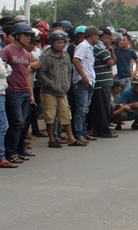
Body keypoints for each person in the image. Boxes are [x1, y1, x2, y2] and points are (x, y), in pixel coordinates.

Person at [37, 31, 85, 148]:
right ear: (52, 43)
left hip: (62, 90)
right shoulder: (46, 57)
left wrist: (66, 84)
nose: (60, 45)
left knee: (66, 115)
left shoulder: (66, 56)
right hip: (49, 91)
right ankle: (52, 139)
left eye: (62, 43)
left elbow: (69, 71)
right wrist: (52, 84)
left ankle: (71, 139)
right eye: (58, 43)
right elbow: (41, 75)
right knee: (50, 115)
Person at [0, 22, 36, 164]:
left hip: (25, 90)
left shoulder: (26, 54)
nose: (29, 39)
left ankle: (20, 149)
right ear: (16, 36)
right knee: (16, 122)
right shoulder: (7, 51)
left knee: (24, 123)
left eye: (30, 36)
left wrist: (31, 92)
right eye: (26, 35)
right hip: (12, 91)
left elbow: (27, 74)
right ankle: (11, 151)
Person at [72, 26, 101, 144]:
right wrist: (83, 76)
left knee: (85, 109)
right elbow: (76, 60)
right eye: (97, 35)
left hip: (89, 81)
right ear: (92, 35)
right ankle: (79, 133)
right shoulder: (83, 46)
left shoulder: (90, 48)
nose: (98, 38)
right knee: (81, 109)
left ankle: (83, 132)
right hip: (82, 81)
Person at [92, 27, 117, 138]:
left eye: (109, 38)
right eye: (106, 38)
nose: (108, 41)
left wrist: (111, 50)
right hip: (101, 82)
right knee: (103, 108)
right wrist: (110, 52)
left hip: (106, 81)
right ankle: (104, 131)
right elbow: (111, 62)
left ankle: (99, 130)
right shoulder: (98, 48)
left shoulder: (104, 48)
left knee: (104, 106)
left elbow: (114, 61)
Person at [1, 52, 16, 167]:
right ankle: (2, 157)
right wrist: (5, 67)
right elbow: (3, 71)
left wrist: (5, 67)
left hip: (2, 93)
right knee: (3, 125)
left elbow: (9, 70)